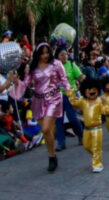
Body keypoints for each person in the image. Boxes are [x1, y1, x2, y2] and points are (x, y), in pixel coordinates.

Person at [25, 41, 69, 173]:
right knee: (46, 131)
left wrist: (70, 93)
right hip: (38, 101)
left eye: (47, 52)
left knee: (45, 128)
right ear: (37, 54)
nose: (45, 55)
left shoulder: (56, 64)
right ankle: (52, 156)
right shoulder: (33, 67)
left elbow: (64, 80)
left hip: (54, 99)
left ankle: (52, 156)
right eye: (42, 53)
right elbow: (26, 84)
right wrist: (16, 80)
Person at [68, 77, 109, 172]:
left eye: (94, 90)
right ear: (84, 91)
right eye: (89, 90)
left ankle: (97, 164)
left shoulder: (99, 101)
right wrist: (71, 93)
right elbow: (74, 104)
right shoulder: (82, 101)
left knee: (96, 147)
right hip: (86, 129)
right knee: (86, 146)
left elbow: (105, 111)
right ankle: (97, 154)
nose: (91, 92)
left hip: (97, 129)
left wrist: (106, 104)